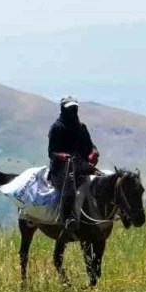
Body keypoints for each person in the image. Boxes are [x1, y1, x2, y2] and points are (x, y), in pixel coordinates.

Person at [47, 96, 99, 230]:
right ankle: (68, 217)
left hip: (81, 166)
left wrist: (94, 152)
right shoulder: (57, 128)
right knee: (70, 186)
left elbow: (91, 146)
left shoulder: (82, 127)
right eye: (70, 109)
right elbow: (51, 153)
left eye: (75, 108)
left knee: (103, 179)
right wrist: (62, 156)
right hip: (61, 169)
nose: (73, 111)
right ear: (63, 109)